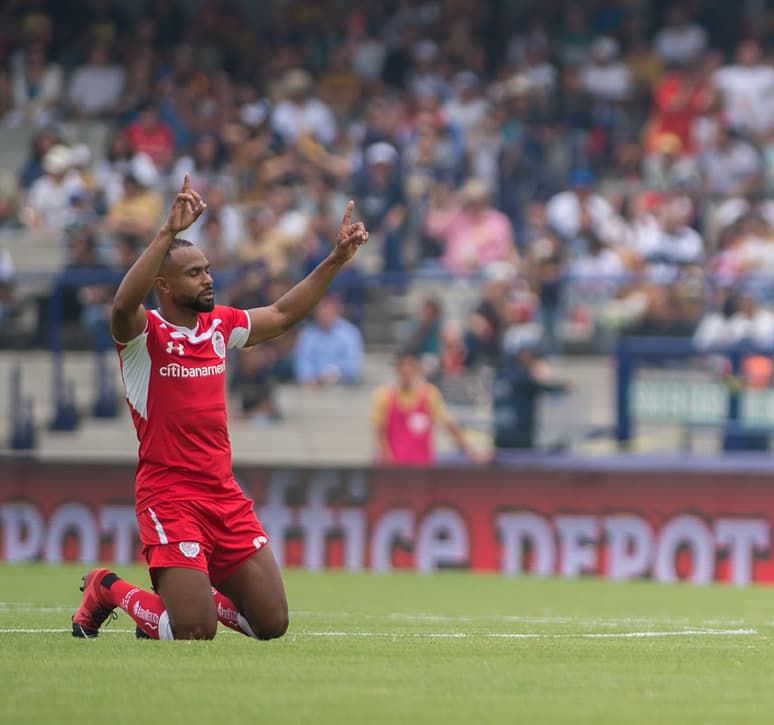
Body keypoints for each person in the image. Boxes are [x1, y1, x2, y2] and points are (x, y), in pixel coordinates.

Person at [72, 175, 369, 641]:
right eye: (194, 273)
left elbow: (283, 314)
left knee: (271, 624)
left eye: (208, 269)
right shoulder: (143, 336)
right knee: (194, 631)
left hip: (223, 495)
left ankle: (188, 595)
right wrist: (166, 232)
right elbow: (123, 305)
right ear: (163, 285)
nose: (208, 278)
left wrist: (335, 260)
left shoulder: (219, 326)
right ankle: (106, 587)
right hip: (170, 497)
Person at [371, 352, 490, 466]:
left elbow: (449, 425)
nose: (406, 369)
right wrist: (386, 458)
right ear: (396, 368)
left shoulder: (429, 395)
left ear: (417, 368)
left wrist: (472, 452)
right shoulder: (385, 396)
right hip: (394, 469)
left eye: (410, 365)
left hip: (422, 469)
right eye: (402, 365)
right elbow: (379, 431)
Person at [491, 339, 570, 452]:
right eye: (530, 355)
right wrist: (563, 386)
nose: (533, 360)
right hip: (518, 436)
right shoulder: (518, 376)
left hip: (503, 436)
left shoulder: (502, 374)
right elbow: (541, 386)